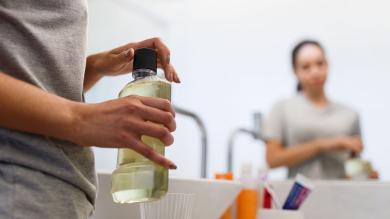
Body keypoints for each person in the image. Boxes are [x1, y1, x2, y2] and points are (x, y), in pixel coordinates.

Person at [0, 1, 180, 218]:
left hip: (62, 192)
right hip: (17, 183)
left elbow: (34, 80)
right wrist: (80, 119)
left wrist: (94, 66)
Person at [263, 40, 369, 179]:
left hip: (342, 196)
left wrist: (364, 175)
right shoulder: (282, 109)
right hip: (299, 198)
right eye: (306, 67)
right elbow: (272, 160)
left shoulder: (349, 114)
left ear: (328, 64)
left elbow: (353, 162)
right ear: (295, 71)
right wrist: (322, 145)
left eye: (320, 64)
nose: (315, 72)